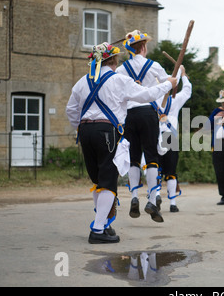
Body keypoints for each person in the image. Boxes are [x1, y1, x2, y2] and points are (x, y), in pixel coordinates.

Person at [66, 42, 177, 244]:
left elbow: (71, 110)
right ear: (114, 60)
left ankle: (105, 224)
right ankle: (98, 229)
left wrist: (81, 128)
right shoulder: (119, 80)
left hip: (85, 130)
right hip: (106, 131)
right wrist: (169, 83)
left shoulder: (82, 81)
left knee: (98, 180)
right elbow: (147, 95)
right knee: (108, 179)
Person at [116, 30, 180, 223]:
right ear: (143, 47)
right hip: (148, 113)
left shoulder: (120, 69)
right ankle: (152, 200)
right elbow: (171, 85)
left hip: (130, 115)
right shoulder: (154, 66)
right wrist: (175, 80)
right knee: (151, 156)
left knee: (133, 157)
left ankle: (134, 197)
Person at [155, 66, 192, 212]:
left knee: (155, 169)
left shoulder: (152, 99)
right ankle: (173, 203)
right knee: (171, 171)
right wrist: (184, 75)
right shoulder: (175, 101)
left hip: (155, 135)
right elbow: (188, 90)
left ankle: (156, 196)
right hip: (170, 136)